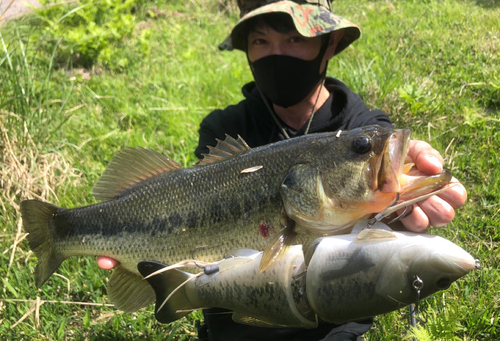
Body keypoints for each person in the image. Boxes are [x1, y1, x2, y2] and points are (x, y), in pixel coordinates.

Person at [97, 0, 467, 340]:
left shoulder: (363, 123)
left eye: (294, 38)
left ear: (329, 43)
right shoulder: (225, 126)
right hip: (231, 322)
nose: (277, 54)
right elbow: (188, 205)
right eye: (260, 40)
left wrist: (399, 205)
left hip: (329, 329)